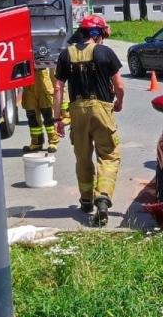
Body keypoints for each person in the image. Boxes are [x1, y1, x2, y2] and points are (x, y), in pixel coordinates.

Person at [53, 15, 124, 226]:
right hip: (101, 109)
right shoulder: (105, 53)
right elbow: (119, 85)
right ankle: (102, 197)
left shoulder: (66, 55)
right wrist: (119, 102)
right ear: (96, 34)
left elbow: (58, 88)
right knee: (109, 155)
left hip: (77, 112)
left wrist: (58, 118)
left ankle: (86, 201)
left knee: (83, 157)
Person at [21, 63, 58, 153]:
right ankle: (36, 142)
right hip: (27, 79)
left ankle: (53, 141)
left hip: (42, 79)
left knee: (47, 115)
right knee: (32, 116)